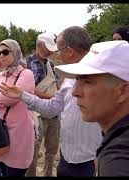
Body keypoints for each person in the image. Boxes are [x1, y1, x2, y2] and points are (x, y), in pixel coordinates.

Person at [0, 26, 103, 176]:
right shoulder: (69, 78)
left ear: (69, 51)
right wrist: (22, 95)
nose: (57, 56)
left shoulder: (104, 76)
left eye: (59, 51)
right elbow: (53, 107)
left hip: (90, 162)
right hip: (67, 158)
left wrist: (103, 154)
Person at [55, 40, 129, 176]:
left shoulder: (118, 161)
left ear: (123, 91)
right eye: (77, 80)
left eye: (88, 81)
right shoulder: (114, 140)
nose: (75, 92)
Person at [0, 39, 36, 176]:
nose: (1, 55)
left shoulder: (26, 74)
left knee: (14, 170)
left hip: (19, 133)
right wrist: (0, 96)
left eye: (5, 52)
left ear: (16, 53)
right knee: (0, 168)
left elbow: (10, 99)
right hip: (0, 131)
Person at [25, 32, 60, 177]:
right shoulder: (26, 64)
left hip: (53, 112)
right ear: (39, 45)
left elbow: (57, 84)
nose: (51, 51)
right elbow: (27, 90)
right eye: (48, 48)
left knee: (52, 149)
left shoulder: (51, 64)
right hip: (36, 112)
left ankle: (48, 174)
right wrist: (51, 96)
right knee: (33, 150)